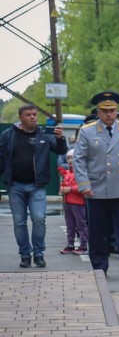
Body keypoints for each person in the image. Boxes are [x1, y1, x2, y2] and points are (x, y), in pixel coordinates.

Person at [72, 91, 119, 278]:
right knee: (98, 231)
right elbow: (79, 160)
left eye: (112, 110)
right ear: (97, 112)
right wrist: (83, 184)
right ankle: (99, 266)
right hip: (97, 188)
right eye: (104, 111)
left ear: (117, 111)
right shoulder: (87, 131)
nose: (109, 115)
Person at [0, 104, 67, 268]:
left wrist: (60, 139)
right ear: (20, 117)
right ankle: (24, 255)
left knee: (38, 219)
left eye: (35, 115)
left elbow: (60, 150)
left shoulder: (42, 135)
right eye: (28, 115)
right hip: (15, 186)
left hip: (37, 186)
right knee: (19, 222)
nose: (33, 117)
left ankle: (38, 254)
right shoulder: (8, 135)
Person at [58, 150, 88, 255]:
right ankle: (70, 244)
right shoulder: (67, 172)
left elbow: (84, 186)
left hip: (78, 202)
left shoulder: (81, 172)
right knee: (69, 225)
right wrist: (62, 188)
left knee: (81, 224)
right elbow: (64, 183)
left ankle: (83, 245)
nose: (70, 161)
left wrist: (70, 189)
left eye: (72, 158)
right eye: (68, 158)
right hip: (67, 202)